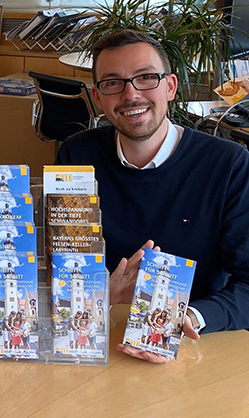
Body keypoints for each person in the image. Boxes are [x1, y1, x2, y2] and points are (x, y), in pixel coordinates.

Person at [57, 29, 249, 363]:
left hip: (197, 349)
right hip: (93, 337)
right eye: (113, 82)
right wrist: (104, 292)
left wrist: (188, 317)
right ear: (98, 98)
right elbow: (59, 263)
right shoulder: (76, 156)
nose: (131, 94)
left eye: (146, 78)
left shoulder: (228, 164)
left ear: (170, 86)